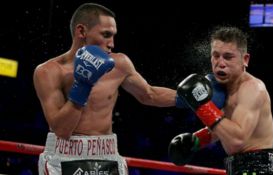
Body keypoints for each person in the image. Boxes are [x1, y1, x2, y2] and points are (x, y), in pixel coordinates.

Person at [33, 3, 179, 175]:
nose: (112, 44)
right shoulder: (49, 72)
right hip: (65, 156)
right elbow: (62, 130)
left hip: (107, 153)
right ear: (82, 31)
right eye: (106, 35)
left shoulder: (120, 64)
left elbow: (150, 95)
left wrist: (189, 98)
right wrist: (84, 85)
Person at [168, 26, 273, 174]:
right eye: (216, 56)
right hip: (239, 168)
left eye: (228, 57)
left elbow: (236, 141)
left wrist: (203, 106)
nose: (220, 63)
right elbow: (224, 129)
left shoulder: (252, 88)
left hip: (258, 169)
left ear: (245, 60)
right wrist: (197, 141)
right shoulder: (224, 88)